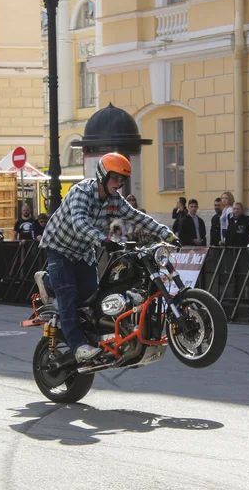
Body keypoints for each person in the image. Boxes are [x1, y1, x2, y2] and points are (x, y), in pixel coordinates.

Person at [34, 152, 178, 364]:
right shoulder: (81, 192)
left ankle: (98, 337)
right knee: (68, 293)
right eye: (115, 178)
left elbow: (137, 216)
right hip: (59, 247)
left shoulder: (114, 200)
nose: (118, 183)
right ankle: (77, 344)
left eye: (122, 180)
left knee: (94, 296)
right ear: (103, 175)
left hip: (83, 251)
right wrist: (103, 239)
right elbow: (79, 223)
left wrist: (168, 234)